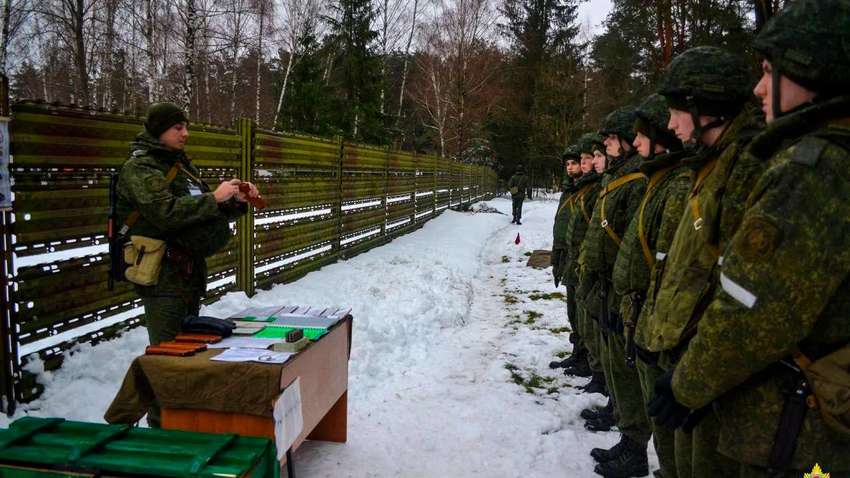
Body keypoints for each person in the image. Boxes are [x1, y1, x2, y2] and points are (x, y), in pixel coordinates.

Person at [653, 1, 850, 476]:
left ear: (813, 70)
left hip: (799, 428)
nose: (759, 88)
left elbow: (751, 306)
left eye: (769, 71)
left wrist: (688, 385)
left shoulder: (813, 170)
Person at [639, 46, 765, 478]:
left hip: (713, 368)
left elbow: (739, 289)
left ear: (705, 108)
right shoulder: (715, 164)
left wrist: (696, 376)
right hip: (693, 358)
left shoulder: (746, 165)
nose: (672, 125)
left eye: (676, 112)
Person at [117, 102, 259, 347]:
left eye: (186, 127)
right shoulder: (140, 168)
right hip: (162, 277)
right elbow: (165, 213)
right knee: (168, 353)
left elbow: (199, 213)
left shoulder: (181, 167)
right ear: (159, 129)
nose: (185, 133)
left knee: (188, 348)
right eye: (178, 127)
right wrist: (214, 197)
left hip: (188, 275)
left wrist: (234, 201)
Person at [608, 93, 690, 478]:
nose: (635, 142)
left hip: (657, 320)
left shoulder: (674, 185)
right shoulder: (658, 181)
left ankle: (641, 451)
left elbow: (672, 266)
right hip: (639, 310)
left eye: (642, 135)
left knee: (671, 431)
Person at [556, 135, 605, 381]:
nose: (572, 167)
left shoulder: (591, 190)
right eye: (569, 164)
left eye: (577, 162)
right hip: (570, 258)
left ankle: (591, 362)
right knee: (574, 312)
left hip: (583, 261)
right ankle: (579, 354)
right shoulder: (573, 190)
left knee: (585, 315)